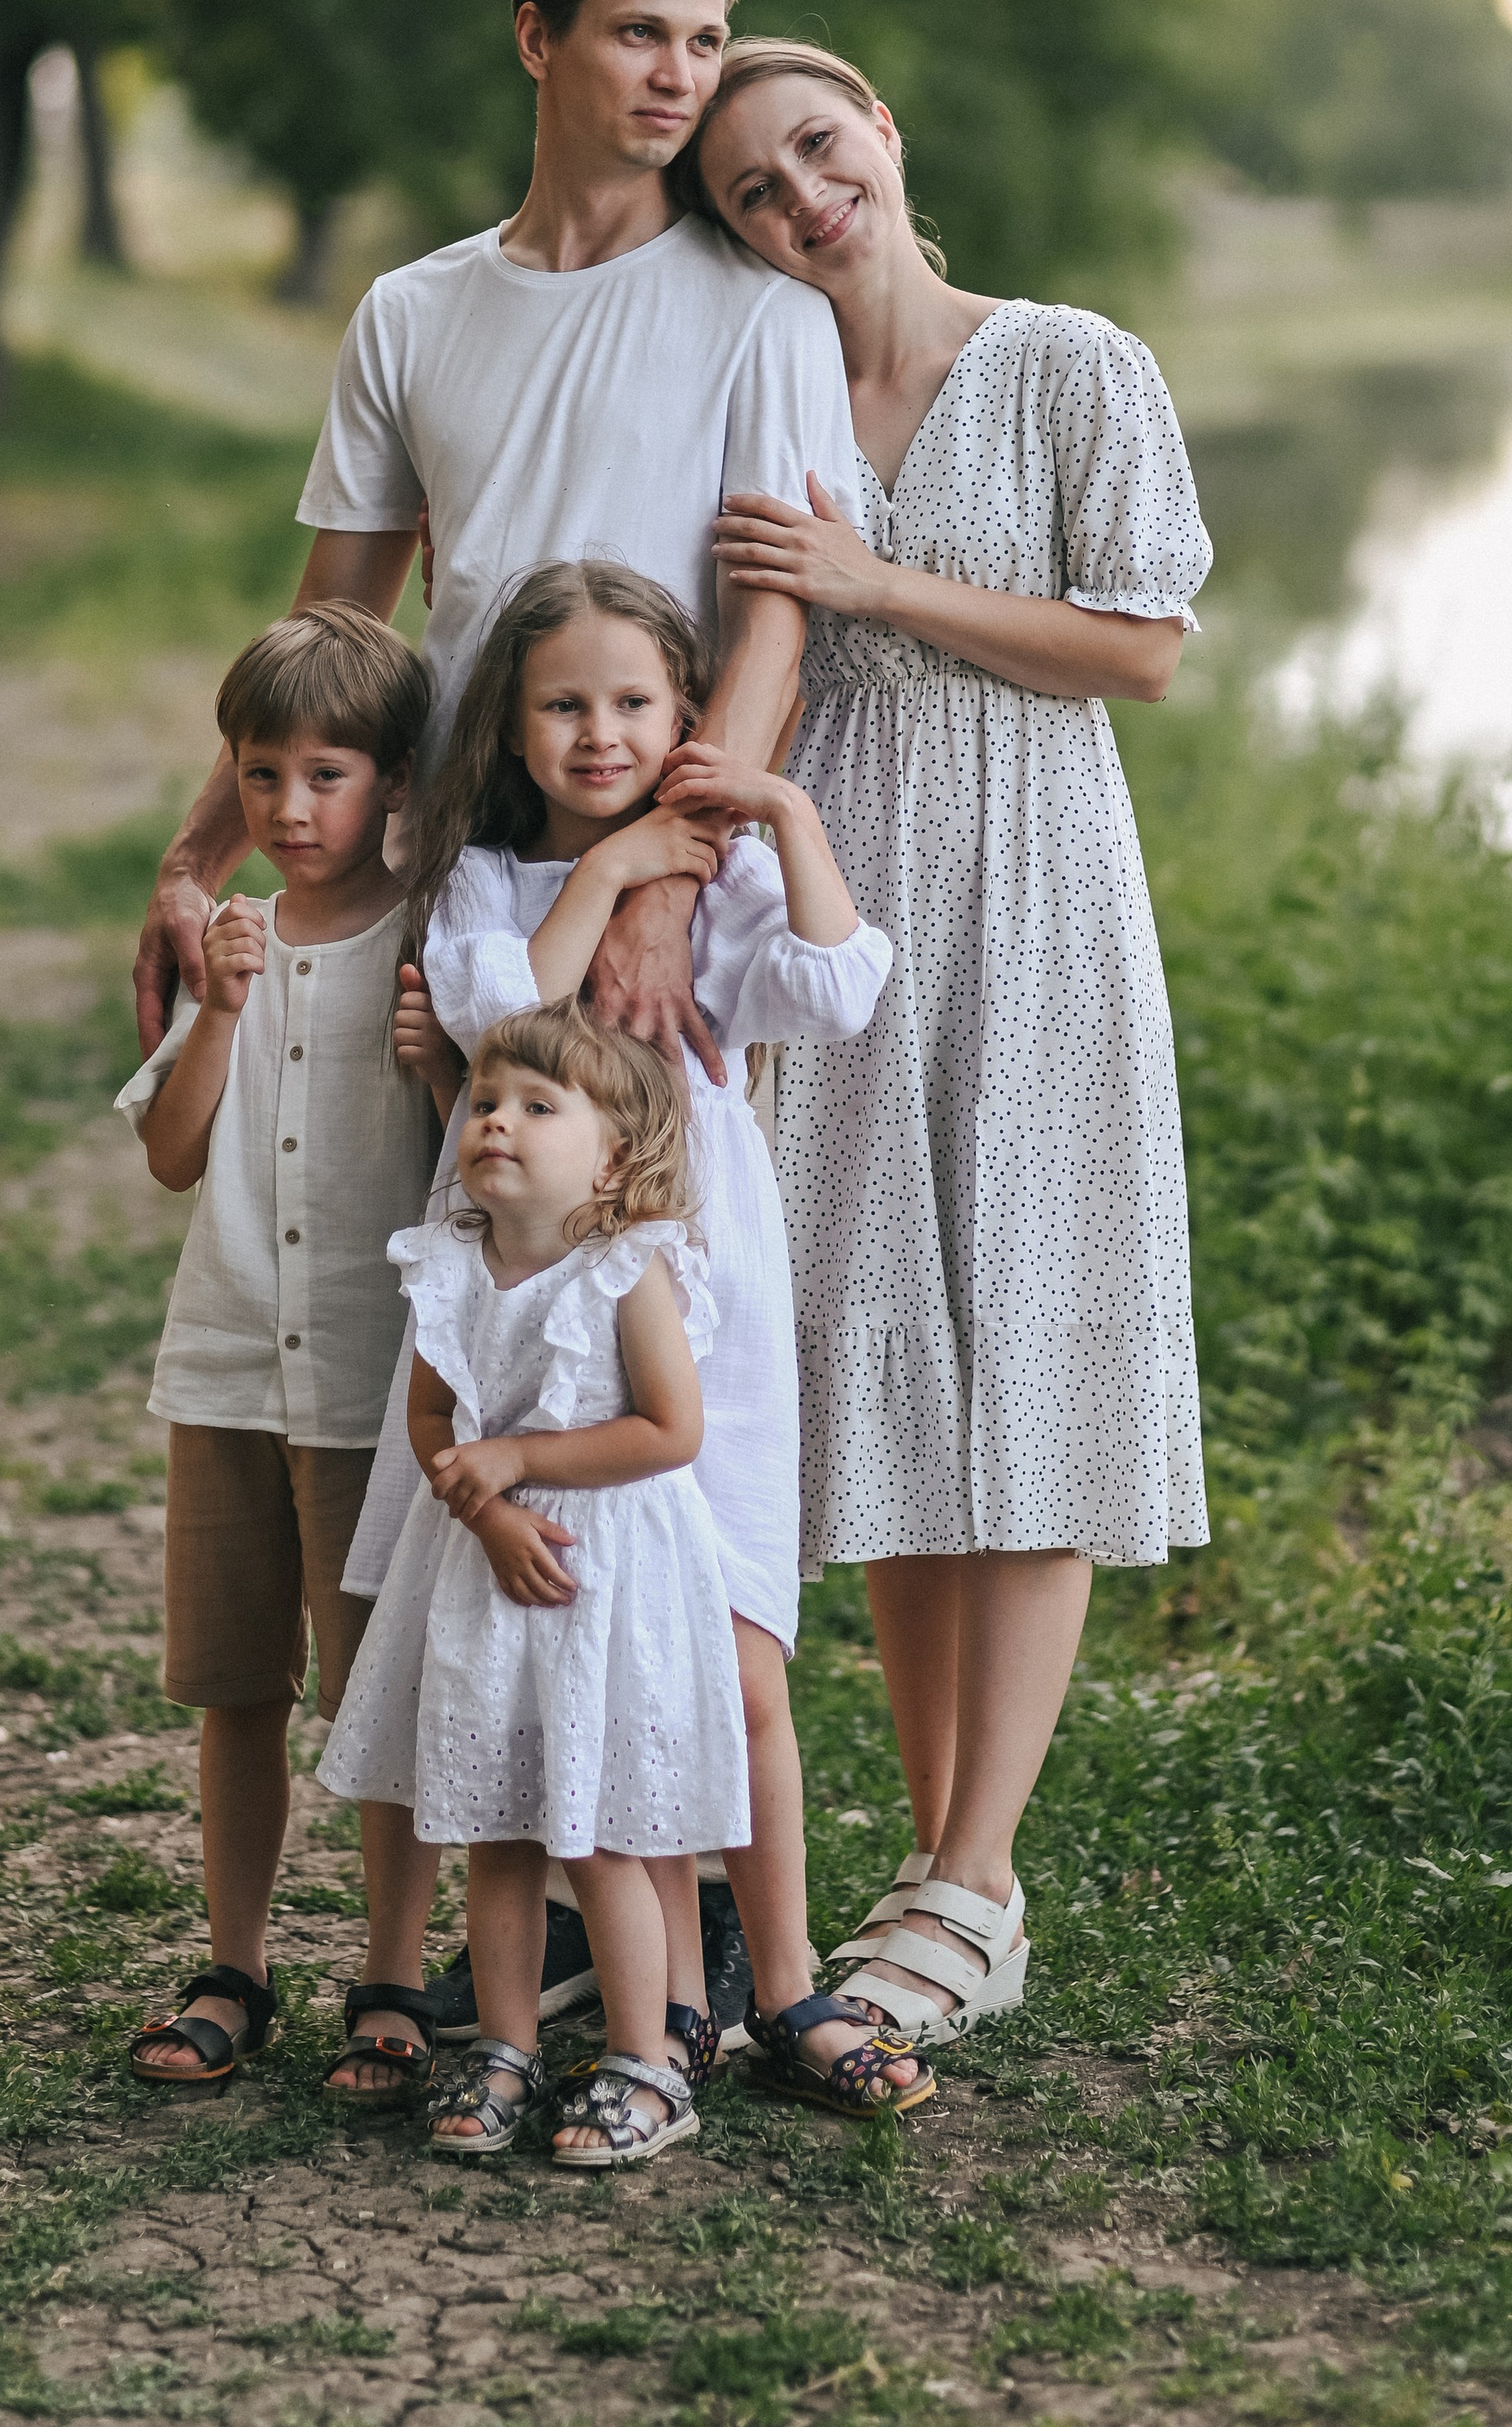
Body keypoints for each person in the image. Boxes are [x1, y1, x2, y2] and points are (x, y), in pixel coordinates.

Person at [130, 0, 858, 2057]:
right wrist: (186, 870)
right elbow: (341, 643)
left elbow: (772, 628)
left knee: (671, 1413)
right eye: (643, 33)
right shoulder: (418, 315)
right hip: (463, 924)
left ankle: (752, 1957)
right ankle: (470, 1921)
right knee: (452, 1374)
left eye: (710, 38)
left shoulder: (760, 313)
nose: (680, 78)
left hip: (666, 936)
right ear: (538, 38)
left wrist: (658, 877)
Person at [675, 38, 1213, 2058]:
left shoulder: (1071, 359)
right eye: (752, 192)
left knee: (1028, 1330)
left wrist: (873, 576)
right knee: (874, 1361)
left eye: (818, 150)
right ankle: (924, 1868)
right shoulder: (771, 391)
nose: (804, 201)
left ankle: (979, 1872)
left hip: (1037, 889)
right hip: (840, 912)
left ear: (884, 130)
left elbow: (1141, 647)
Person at [348, 559, 928, 2118]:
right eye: (562, 704)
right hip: (528, 1310)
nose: (597, 732)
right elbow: (498, 1019)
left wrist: (780, 817)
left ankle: (789, 1985)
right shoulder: (484, 880)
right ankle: (640, 2009)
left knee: (732, 1666)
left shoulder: (725, 875)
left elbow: (837, 987)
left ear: (682, 715)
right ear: (514, 723)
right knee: (563, 1653)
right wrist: (614, 875)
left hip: (698, 1293)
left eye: (631, 702)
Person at [321, 1005, 748, 2169]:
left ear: (611, 1158)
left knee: (600, 1830)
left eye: (537, 1106)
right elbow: (427, 1419)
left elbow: (669, 1431)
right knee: (496, 1829)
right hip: (487, 1568)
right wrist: (489, 1511)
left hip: (599, 1578)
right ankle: (504, 2048)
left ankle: (644, 2062)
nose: (496, 1120)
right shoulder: (449, 1266)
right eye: (488, 1102)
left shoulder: (626, 1271)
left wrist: (523, 1464)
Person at [118, 603, 441, 2096]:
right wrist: (220, 1013)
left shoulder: (433, 945)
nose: (290, 810)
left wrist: (445, 1062)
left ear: (391, 780)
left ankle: (391, 1971)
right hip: (234, 1361)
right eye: (260, 777)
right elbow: (173, 1159)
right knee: (235, 1681)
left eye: (327, 775)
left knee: (375, 1689)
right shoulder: (221, 945)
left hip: (376, 1380)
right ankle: (234, 1960)